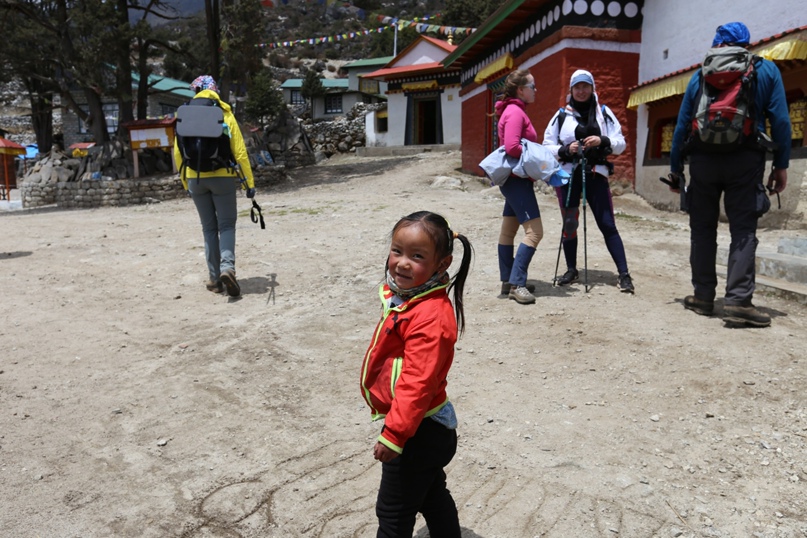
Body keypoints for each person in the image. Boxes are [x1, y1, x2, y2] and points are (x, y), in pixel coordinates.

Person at [669, 22, 790, 327]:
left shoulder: (702, 74)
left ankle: (703, 297)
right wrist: (781, 165)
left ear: (717, 43)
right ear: (747, 43)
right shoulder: (765, 71)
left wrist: (675, 170)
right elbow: (782, 122)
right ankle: (738, 301)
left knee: (703, 229)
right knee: (743, 230)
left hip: (702, 162)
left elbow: (682, 125)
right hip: (746, 161)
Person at [359, 211, 472, 538]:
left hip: (418, 429)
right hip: (422, 423)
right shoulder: (409, 298)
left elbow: (417, 383)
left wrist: (394, 435)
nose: (402, 263)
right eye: (397, 251)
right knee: (431, 494)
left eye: (417, 256)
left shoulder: (430, 316)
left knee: (393, 513)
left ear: (442, 263)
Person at [542, 69, 634, 293]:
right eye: (577, 87)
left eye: (586, 86)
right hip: (568, 176)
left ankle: (624, 274)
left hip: (596, 174)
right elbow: (546, 147)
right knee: (570, 224)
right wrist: (566, 149)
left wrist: (602, 140)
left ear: (593, 89)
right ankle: (571, 269)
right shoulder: (561, 115)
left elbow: (620, 142)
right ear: (571, 90)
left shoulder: (603, 112)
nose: (581, 91)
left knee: (607, 224)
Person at [173, 75, 256, 297]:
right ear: (214, 91)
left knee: (208, 228)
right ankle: (227, 269)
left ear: (196, 91)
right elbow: (240, 153)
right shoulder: (225, 113)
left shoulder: (184, 115)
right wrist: (249, 184)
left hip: (194, 178)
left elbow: (178, 153)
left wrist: (186, 182)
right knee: (226, 225)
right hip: (223, 177)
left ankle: (214, 279)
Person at [495, 69, 543, 304]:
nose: (536, 91)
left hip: (513, 180)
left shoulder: (512, 110)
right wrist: (538, 155)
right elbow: (512, 147)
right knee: (535, 233)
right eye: (533, 87)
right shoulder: (515, 112)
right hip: (517, 180)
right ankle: (517, 284)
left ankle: (508, 279)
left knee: (508, 232)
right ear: (520, 90)